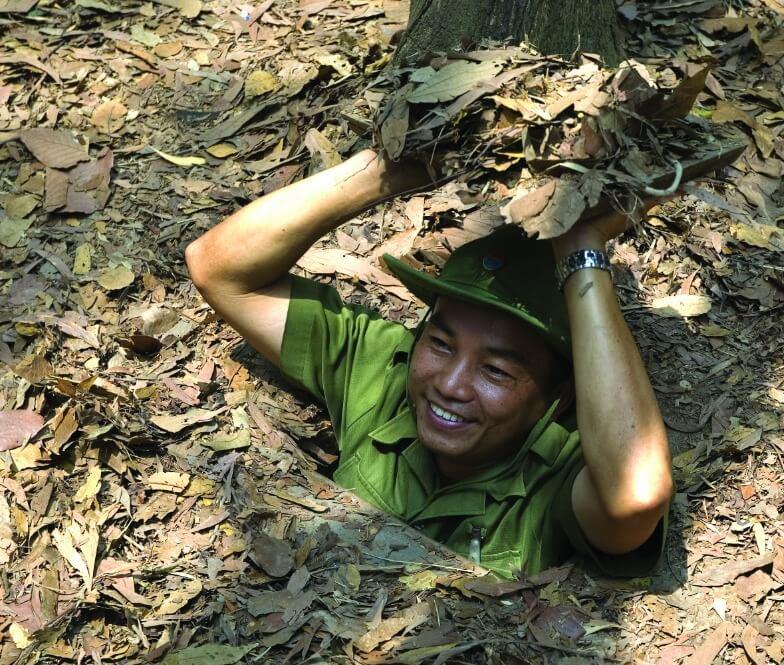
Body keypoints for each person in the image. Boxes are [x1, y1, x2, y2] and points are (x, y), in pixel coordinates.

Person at [184, 149, 674, 578]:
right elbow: (218, 269)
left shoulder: (559, 475)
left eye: (496, 371)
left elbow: (637, 494)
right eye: (441, 343)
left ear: (558, 394)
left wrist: (581, 246)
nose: (451, 385)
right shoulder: (383, 367)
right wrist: (395, 167)